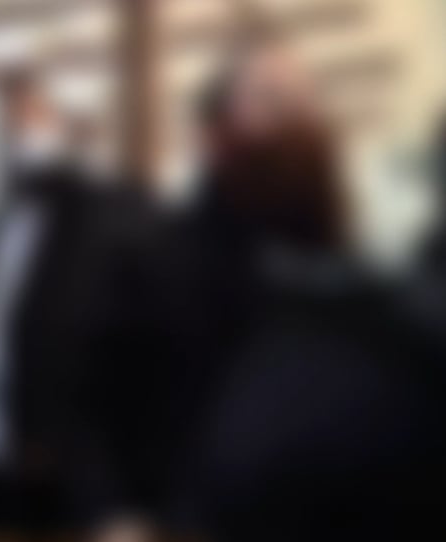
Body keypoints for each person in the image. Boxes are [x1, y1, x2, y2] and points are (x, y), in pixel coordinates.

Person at [170, 40, 446, 542]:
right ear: (213, 135)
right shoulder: (172, 266)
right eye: (273, 101)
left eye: (306, 103)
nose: (302, 121)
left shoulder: (366, 297)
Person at [0, 72, 162, 539]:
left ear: (61, 124)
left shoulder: (93, 210)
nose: (21, 130)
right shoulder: (5, 212)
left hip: (45, 431)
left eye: (33, 116)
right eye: (12, 119)